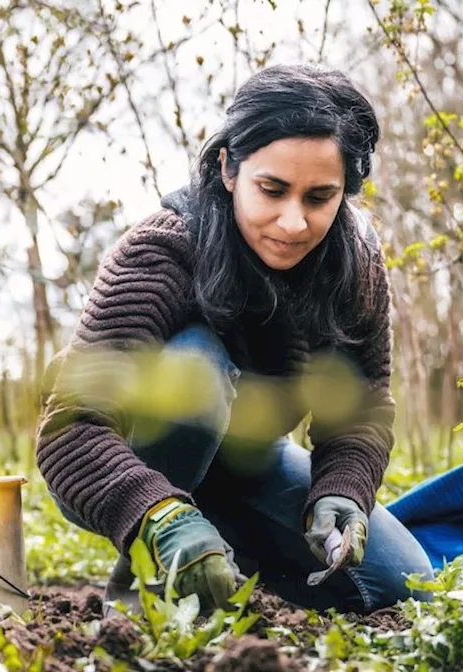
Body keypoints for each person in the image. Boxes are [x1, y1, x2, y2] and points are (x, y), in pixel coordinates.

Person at [36, 63, 433, 615]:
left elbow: (362, 407)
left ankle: (220, 549)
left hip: (249, 461)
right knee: (196, 366)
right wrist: (160, 516)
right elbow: (69, 432)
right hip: (116, 456)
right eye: (271, 190)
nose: (293, 222)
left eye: (320, 198)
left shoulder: (354, 264)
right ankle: (142, 588)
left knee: (399, 582)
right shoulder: (162, 251)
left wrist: (342, 490)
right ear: (228, 168)